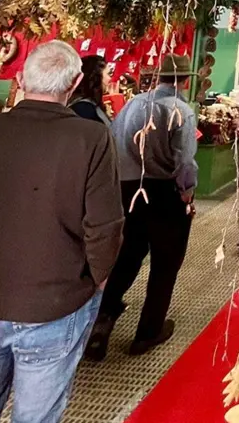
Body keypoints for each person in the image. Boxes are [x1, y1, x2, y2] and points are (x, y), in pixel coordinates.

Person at [0, 40, 124, 423]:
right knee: (35, 417)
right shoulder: (92, 138)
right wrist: (97, 282)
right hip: (54, 304)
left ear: (19, 79)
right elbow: (105, 225)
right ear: (75, 82)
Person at [85, 54, 198, 361]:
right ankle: (147, 333)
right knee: (165, 264)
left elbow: (113, 139)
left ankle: (101, 322)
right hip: (165, 194)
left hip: (126, 190)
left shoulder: (134, 103)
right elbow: (184, 162)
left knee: (125, 257)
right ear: (186, 81)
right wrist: (187, 195)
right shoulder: (182, 111)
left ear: (158, 78)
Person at [69, 55, 112, 125]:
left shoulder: (88, 105)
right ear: (96, 77)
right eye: (108, 74)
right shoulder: (84, 109)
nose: (110, 79)